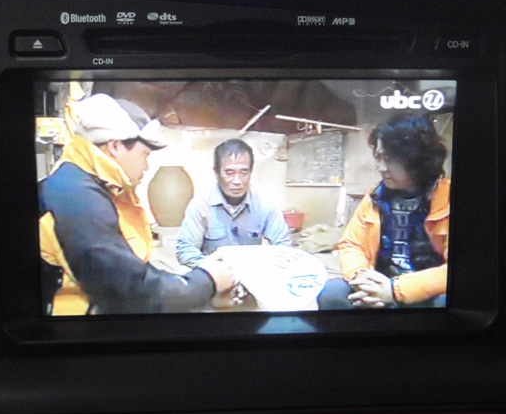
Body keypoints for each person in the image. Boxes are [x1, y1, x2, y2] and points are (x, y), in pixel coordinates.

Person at [38, 93, 235, 315]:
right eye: (144, 155)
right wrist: (207, 281)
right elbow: (129, 292)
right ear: (115, 146)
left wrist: (193, 283)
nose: (146, 165)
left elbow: (131, 270)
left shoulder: (92, 183)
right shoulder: (76, 196)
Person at [317, 114, 450, 309]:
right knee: (332, 292)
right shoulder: (375, 196)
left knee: (446, 301)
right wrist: (361, 276)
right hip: (378, 284)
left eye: (388, 159)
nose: (380, 168)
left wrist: (396, 290)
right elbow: (351, 244)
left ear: (416, 159)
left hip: (423, 291)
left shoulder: (447, 197)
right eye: (378, 157)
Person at [176, 138, 291, 268]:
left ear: (250, 172)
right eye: (229, 173)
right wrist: (214, 269)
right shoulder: (200, 206)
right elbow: (186, 250)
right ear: (216, 173)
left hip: (252, 273)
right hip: (213, 274)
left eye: (244, 172)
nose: (237, 181)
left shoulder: (265, 206)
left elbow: (285, 249)